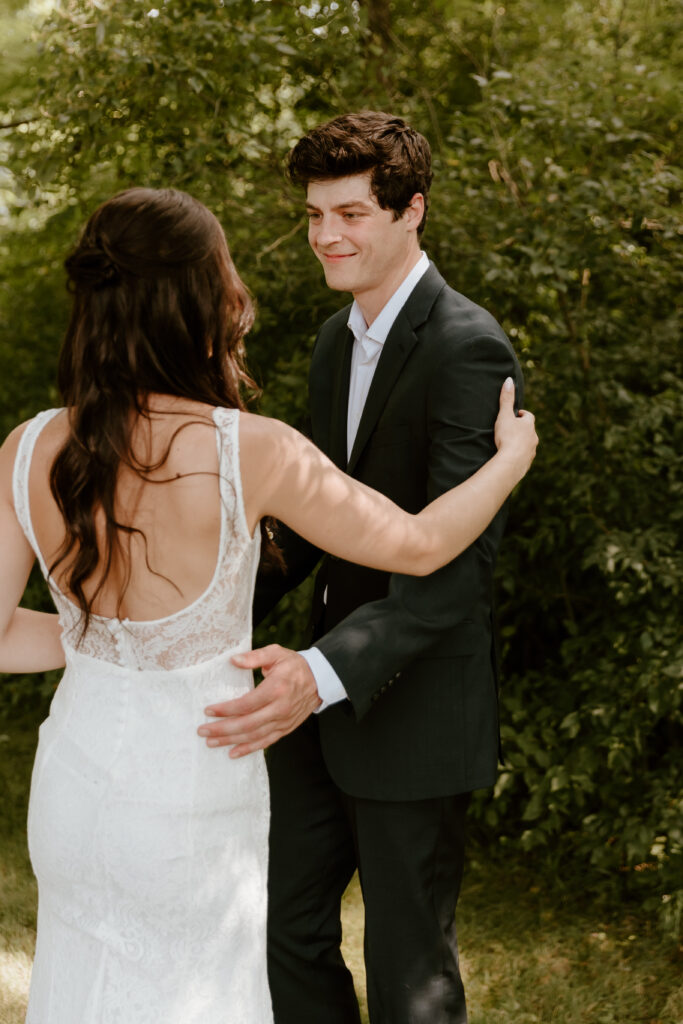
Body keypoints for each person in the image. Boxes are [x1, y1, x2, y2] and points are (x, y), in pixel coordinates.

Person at [0, 186, 536, 1023]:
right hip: (189, 788)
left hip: (74, 781)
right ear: (199, 298)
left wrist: (122, 644)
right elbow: (425, 544)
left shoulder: (29, 445)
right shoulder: (254, 450)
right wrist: (509, 459)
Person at [199, 111, 528, 1024]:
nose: (325, 237)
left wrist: (323, 672)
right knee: (281, 929)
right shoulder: (331, 341)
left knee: (406, 965)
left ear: (411, 210)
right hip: (314, 698)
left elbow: (450, 569)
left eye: (349, 213)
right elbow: (317, 521)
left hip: (412, 704)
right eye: (312, 215)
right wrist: (206, 597)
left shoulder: (468, 346)